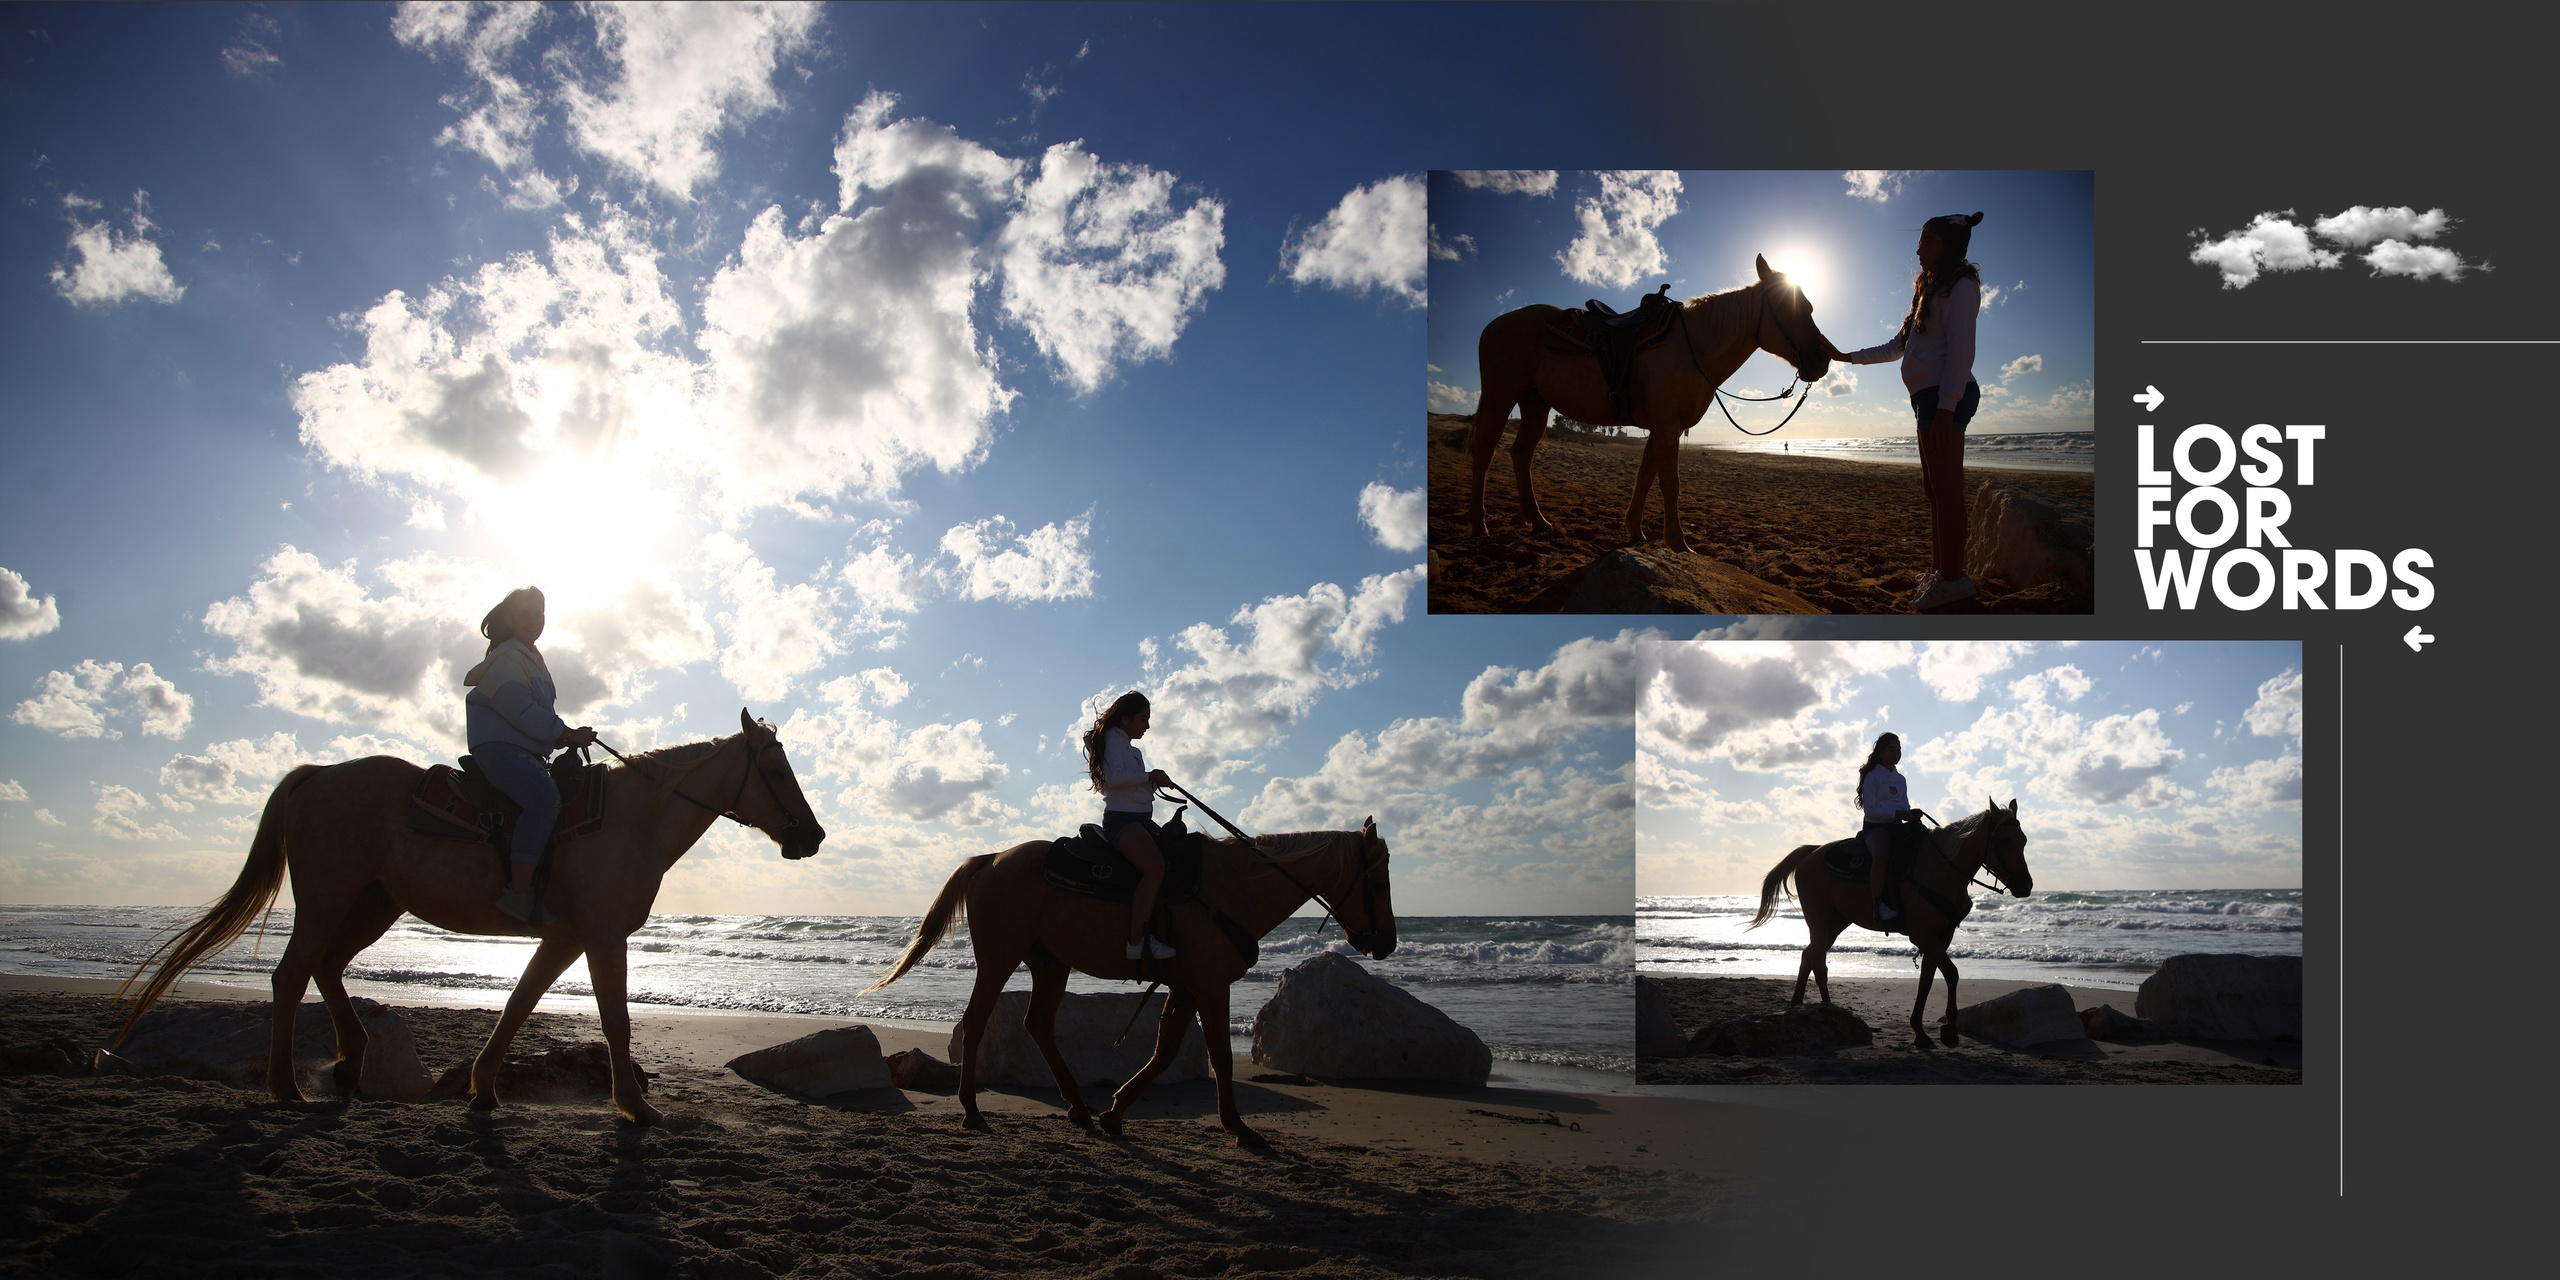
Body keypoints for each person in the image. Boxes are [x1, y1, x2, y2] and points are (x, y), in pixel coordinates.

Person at [1831, 211, 1987, 611]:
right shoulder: (1928, 290)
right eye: (1919, 241)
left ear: (1949, 246)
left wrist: (1947, 408)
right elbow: (1897, 346)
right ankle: (1942, 571)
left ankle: (1954, 579)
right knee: (1934, 491)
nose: (1918, 248)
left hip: (1944, 398)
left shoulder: (1961, 286)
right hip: (1928, 399)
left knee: (1948, 492)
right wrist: (1847, 357)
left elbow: (1961, 350)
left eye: (1927, 242)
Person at [463, 587, 597, 928]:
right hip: (500, 748)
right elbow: (520, 710)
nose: (532, 621)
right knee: (543, 800)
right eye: (525, 614)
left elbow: (537, 714)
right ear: (509, 619)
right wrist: (565, 734)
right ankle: (518, 893)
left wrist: (563, 733)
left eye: (538, 614)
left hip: (526, 751)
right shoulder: (508, 657)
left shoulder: (532, 658)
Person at [1082, 691, 1177, 961]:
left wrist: (1151, 780)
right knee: (1155, 867)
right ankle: (1137, 942)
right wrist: (1150, 776)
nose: (1147, 725)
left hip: (1142, 820)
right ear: (1126, 719)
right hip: (1122, 821)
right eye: (1143, 719)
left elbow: (1128, 780)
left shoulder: (1130, 748)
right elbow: (1114, 778)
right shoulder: (1114, 738)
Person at [1856, 732, 1926, 926]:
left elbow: (1903, 805)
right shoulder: (1872, 776)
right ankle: (1878, 905)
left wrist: (1910, 814)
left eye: (1899, 749)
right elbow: (1871, 810)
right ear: (1881, 753)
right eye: (1892, 750)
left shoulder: (1900, 779)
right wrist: (1898, 814)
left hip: (1897, 826)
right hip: (1875, 828)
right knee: (1881, 856)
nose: (1897, 753)